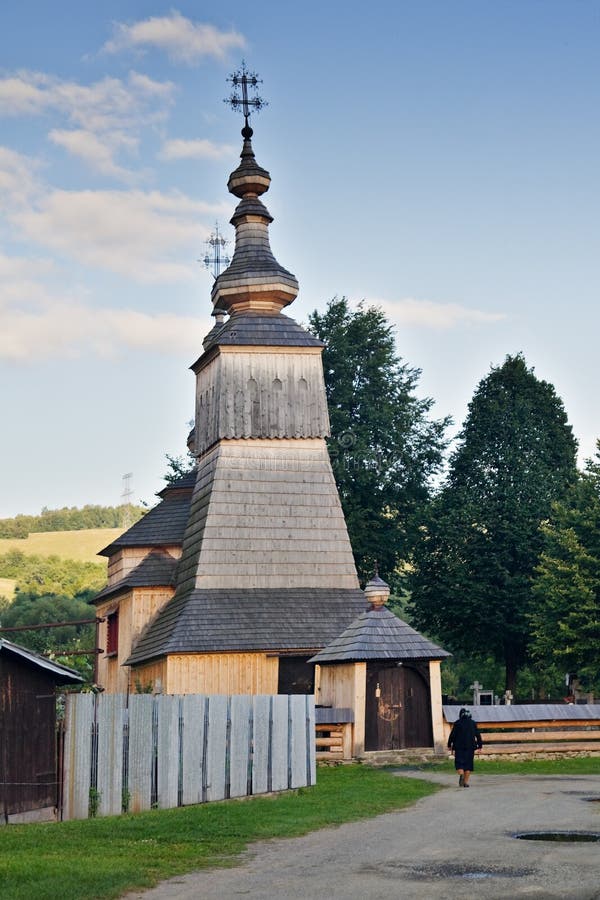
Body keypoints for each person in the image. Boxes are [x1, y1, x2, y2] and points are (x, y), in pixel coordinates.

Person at [447, 708, 482, 787]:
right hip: (470, 747)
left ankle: (461, 774)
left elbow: (452, 735)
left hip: (459, 747)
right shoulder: (473, 723)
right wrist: (480, 746)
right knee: (468, 765)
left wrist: (449, 745)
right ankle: (465, 782)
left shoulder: (457, 723)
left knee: (459, 763)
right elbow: (478, 735)